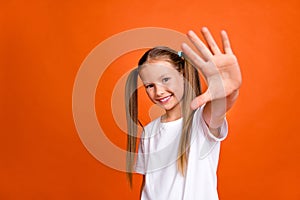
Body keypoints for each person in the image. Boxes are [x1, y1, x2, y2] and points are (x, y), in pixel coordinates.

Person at [125, 27, 242, 200]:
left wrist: (230, 91)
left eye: (165, 79)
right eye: (150, 85)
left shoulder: (201, 120)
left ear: (183, 75)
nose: (158, 92)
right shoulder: (149, 132)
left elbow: (219, 107)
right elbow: (149, 186)